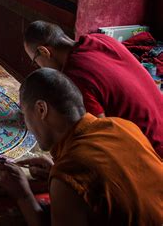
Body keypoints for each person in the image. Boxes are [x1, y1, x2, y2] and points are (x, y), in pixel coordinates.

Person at [0, 68, 163, 226]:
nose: (27, 124)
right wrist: (56, 172)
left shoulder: (69, 173)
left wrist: (23, 195)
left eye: (26, 115)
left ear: (41, 109)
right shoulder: (124, 126)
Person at [23, 20, 163, 157]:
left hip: (152, 153)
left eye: (35, 62)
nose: (38, 67)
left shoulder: (75, 76)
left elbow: (97, 141)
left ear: (44, 51)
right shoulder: (101, 39)